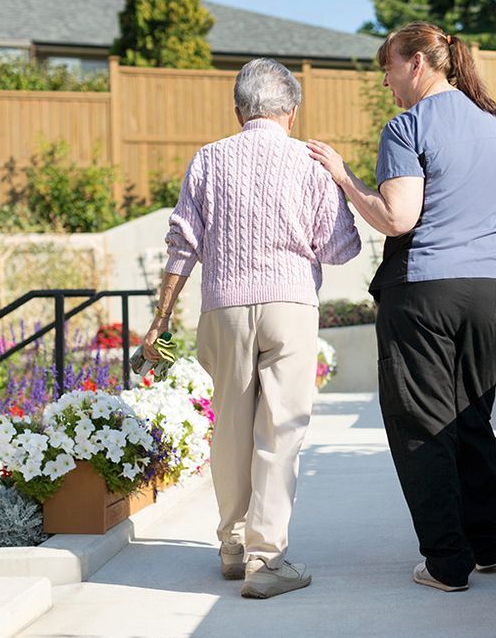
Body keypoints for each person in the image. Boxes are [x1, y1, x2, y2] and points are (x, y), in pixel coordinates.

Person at [307, 21, 496, 592]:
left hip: (425, 292)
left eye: (386, 67)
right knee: (472, 417)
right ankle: (485, 546)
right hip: (492, 292)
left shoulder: (407, 126)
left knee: (424, 426)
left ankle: (446, 562)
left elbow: (398, 218)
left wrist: (343, 178)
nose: (385, 81)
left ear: (415, 64)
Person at [143, 57, 361, 600]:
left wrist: (161, 320)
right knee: (279, 432)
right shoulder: (310, 163)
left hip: (222, 307)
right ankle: (266, 562)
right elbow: (340, 248)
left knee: (232, 431)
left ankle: (232, 547)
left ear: (239, 110)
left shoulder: (208, 159)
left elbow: (182, 244)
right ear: (291, 111)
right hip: (289, 305)